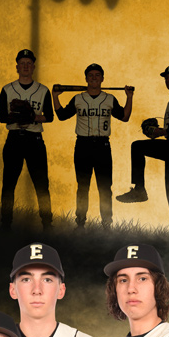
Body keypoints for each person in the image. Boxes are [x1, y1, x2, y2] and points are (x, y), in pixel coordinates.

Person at [53, 64, 132, 228]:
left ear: (102, 78)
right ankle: (80, 222)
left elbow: (124, 117)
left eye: (97, 75)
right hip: (83, 145)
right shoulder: (78, 98)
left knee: (105, 188)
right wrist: (55, 96)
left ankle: (107, 224)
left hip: (103, 146)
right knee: (83, 187)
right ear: (86, 78)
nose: (94, 77)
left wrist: (129, 97)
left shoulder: (109, 99)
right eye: (91, 75)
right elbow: (62, 115)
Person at [119, 64, 169, 230]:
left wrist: (160, 132)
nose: (168, 80)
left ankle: (139, 190)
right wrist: (161, 132)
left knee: (137, 147)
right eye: (166, 77)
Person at [0, 48, 54, 230]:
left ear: (33, 67)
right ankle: (5, 224)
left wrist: (32, 117)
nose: (26, 66)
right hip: (14, 139)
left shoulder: (43, 90)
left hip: (34, 140)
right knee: (8, 184)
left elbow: (50, 117)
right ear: (17, 67)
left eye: (29, 63)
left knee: (42, 184)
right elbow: (1, 117)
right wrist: (15, 117)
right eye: (22, 63)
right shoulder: (7, 89)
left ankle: (47, 223)